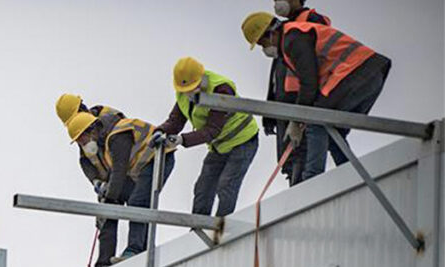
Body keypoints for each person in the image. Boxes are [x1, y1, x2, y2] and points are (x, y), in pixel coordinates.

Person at [244, 12, 391, 182]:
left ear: (272, 33)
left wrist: (297, 120)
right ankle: (351, 175)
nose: (265, 49)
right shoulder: (291, 39)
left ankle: (312, 180)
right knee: (332, 130)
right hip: (371, 73)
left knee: (315, 119)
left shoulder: (293, 38)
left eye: (263, 43)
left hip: (358, 72)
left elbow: (309, 83)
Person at [65, 111, 176, 267]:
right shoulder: (102, 142)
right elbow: (109, 175)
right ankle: (115, 257)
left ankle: (135, 249)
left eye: (81, 139)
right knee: (131, 201)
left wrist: (108, 200)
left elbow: (119, 171)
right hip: (143, 166)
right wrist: (105, 201)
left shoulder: (117, 136)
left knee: (138, 202)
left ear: (91, 130)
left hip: (159, 157)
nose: (81, 144)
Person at [154, 57, 259, 219]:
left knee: (226, 186)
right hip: (219, 146)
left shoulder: (221, 89)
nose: (189, 93)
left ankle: (221, 229)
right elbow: (175, 120)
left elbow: (213, 130)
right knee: (203, 188)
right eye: (186, 89)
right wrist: (160, 131)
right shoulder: (183, 92)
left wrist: (182, 139)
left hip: (242, 140)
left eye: (193, 88)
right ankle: (197, 231)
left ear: (201, 78)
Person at [264, 1, 331, 184]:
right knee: (289, 158)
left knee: (302, 153)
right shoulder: (284, 30)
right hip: (286, 105)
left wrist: (305, 105)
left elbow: (312, 66)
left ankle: (302, 191)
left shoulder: (310, 21)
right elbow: (276, 75)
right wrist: (270, 110)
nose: (277, 3)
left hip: (302, 101)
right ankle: (295, 191)